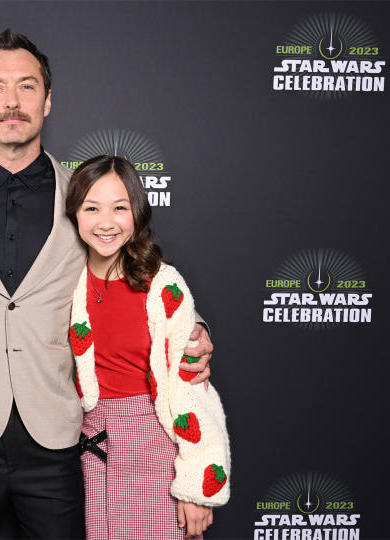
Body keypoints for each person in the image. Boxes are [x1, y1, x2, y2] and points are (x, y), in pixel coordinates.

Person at [0, 29, 215, 537]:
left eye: (27, 87)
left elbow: (138, 275)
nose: (12, 101)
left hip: (59, 432)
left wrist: (194, 329)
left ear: (47, 101)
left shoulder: (88, 194)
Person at [65, 155, 230, 539]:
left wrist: (195, 486)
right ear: (74, 214)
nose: (106, 222)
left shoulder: (162, 285)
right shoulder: (66, 280)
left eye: (120, 208)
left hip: (155, 446)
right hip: (86, 451)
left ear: (137, 212)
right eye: (92, 208)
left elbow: (190, 389)